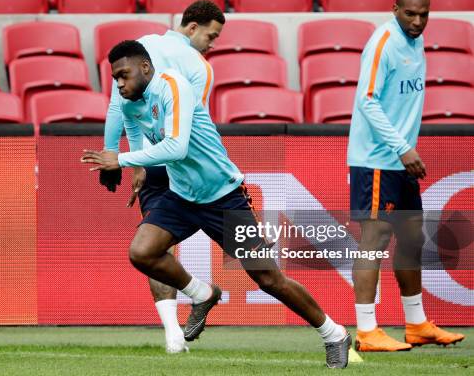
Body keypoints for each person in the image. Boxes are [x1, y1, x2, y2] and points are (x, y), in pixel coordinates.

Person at [83, 40, 352, 368]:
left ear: (145, 68)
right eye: (115, 78)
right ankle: (202, 293)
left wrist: (122, 159)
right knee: (142, 252)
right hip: (182, 196)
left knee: (269, 279)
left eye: (124, 75)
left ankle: (333, 333)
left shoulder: (173, 87)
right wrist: (138, 168)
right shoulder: (130, 103)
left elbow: (177, 147)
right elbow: (134, 131)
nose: (120, 84)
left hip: (223, 197)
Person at [100, 0, 224, 354]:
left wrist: (119, 158)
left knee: (154, 248)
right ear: (192, 27)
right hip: (183, 165)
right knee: (153, 247)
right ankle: (182, 326)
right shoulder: (198, 66)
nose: (211, 44)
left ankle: (173, 336)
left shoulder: (140, 48)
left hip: (150, 162)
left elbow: (120, 109)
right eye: (211, 36)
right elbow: (190, 128)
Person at [347, 0, 465, 352]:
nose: (417, 22)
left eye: (424, 14)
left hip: (399, 159)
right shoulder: (383, 42)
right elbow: (366, 100)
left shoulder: (415, 41)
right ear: (394, 8)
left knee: (412, 238)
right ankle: (367, 331)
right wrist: (402, 148)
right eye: (410, 14)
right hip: (377, 160)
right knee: (374, 240)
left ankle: (416, 324)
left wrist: (404, 150)